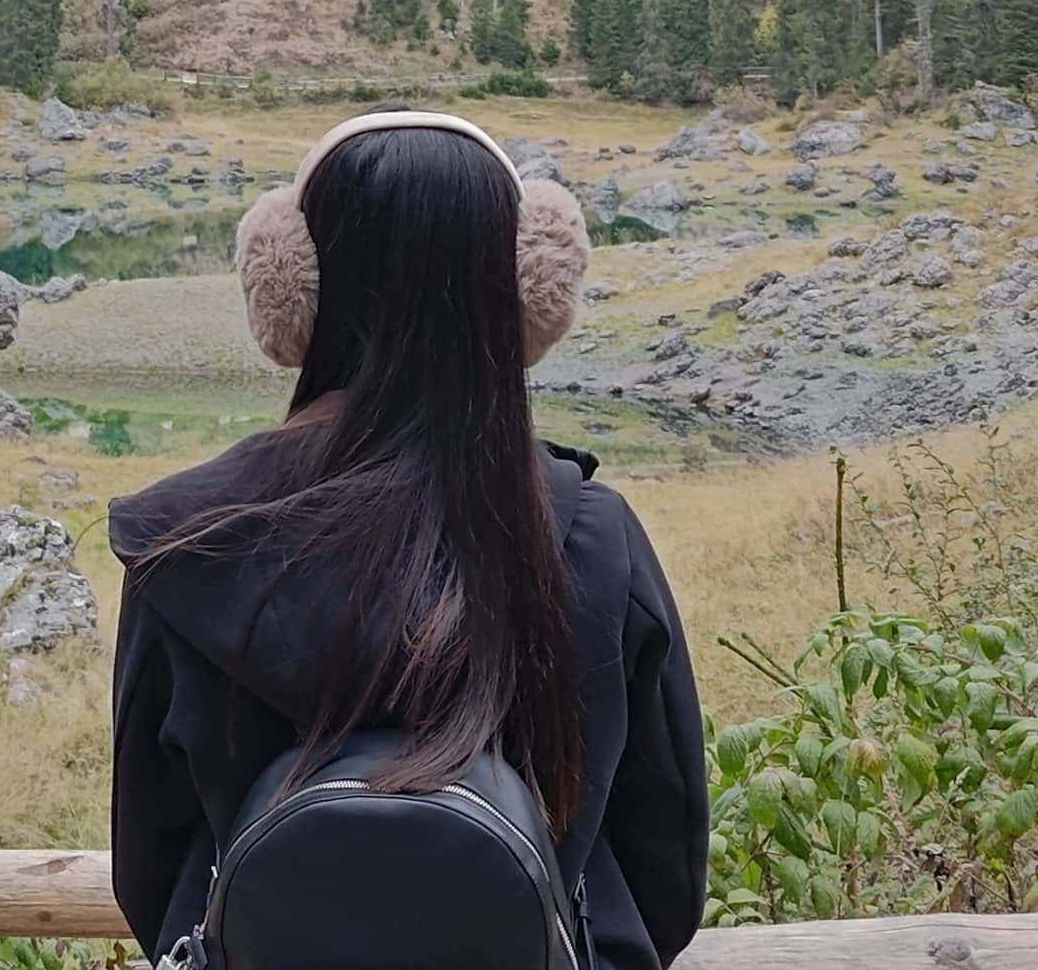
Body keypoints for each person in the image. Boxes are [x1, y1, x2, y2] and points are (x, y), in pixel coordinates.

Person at [110, 111, 705, 970]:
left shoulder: (185, 539)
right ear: (529, 292)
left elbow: (150, 868)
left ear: (290, 291)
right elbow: (666, 868)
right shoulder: (593, 537)